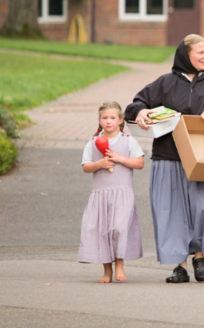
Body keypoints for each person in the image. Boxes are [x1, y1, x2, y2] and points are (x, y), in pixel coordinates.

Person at [126, 34, 204, 283]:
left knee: (202, 209)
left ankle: (200, 257)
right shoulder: (165, 83)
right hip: (168, 158)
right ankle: (179, 265)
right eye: (200, 52)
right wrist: (143, 112)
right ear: (185, 55)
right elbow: (135, 105)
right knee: (172, 211)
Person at [78, 101, 145, 283]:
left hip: (122, 195)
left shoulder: (128, 141)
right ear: (99, 120)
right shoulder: (93, 143)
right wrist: (99, 164)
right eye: (105, 118)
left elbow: (140, 163)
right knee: (102, 232)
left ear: (120, 120)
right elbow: (86, 166)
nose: (108, 121)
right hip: (100, 195)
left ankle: (120, 265)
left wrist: (120, 158)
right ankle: (107, 271)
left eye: (113, 118)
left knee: (119, 229)